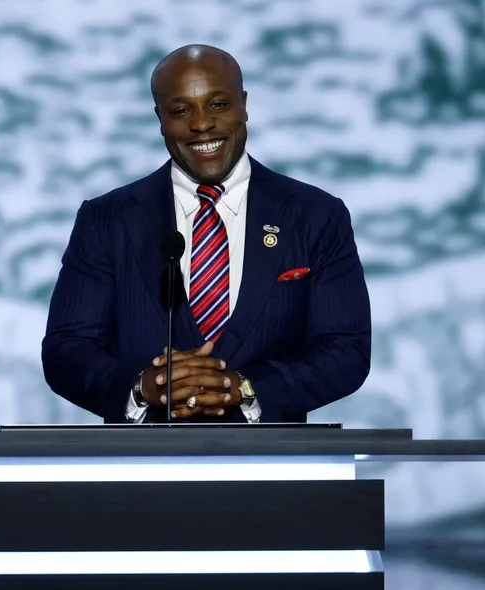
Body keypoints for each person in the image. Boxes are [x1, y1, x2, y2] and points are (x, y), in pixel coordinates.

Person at [42, 44, 371, 423]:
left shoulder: (315, 216)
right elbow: (67, 349)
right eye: (181, 111)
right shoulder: (106, 220)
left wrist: (246, 389)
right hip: (139, 469)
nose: (201, 124)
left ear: (244, 104)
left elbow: (346, 350)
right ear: (160, 118)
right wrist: (142, 388)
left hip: (275, 468)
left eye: (218, 105)